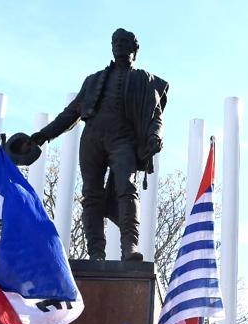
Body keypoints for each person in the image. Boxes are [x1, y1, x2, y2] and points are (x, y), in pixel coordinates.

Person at [29, 28, 168, 261]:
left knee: (127, 188)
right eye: (116, 42)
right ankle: (95, 253)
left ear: (135, 49)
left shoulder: (145, 81)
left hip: (123, 139)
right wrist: (43, 135)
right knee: (91, 195)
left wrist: (155, 135)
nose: (120, 46)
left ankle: (129, 247)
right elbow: (70, 114)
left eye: (125, 42)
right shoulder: (93, 80)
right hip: (92, 138)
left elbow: (156, 117)